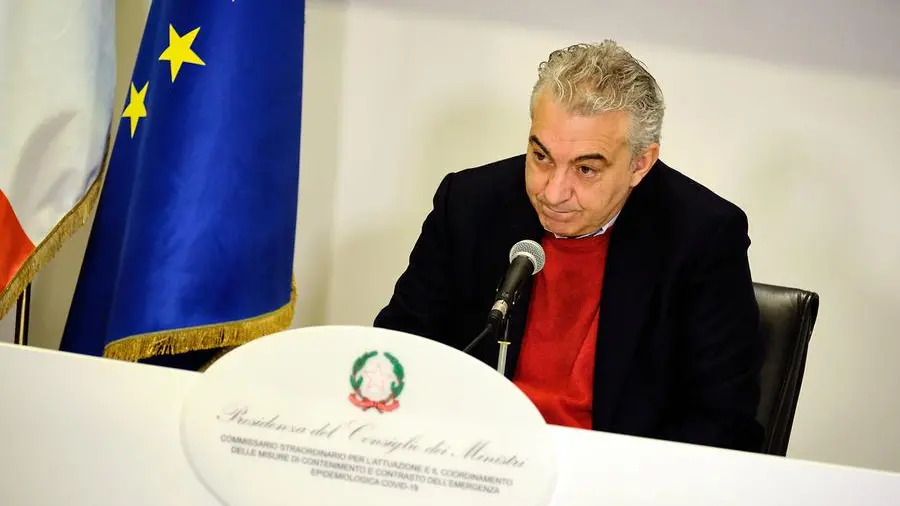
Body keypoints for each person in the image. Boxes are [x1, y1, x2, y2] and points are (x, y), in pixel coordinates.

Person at [374, 40, 764, 452]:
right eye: (541, 157)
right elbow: (400, 347)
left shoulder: (701, 237)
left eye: (586, 169)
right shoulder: (470, 205)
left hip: (615, 470)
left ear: (640, 164)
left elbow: (723, 421)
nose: (553, 192)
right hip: (476, 457)